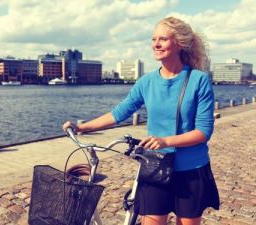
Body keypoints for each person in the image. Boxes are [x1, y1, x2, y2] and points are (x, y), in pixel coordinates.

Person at [63, 16, 220, 225]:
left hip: (190, 170)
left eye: (163, 39)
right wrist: (82, 127)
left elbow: (203, 132)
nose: (156, 44)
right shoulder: (147, 82)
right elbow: (119, 113)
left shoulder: (198, 80)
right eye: (153, 39)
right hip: (155, 166)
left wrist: (166, 141)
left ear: (179, 43)